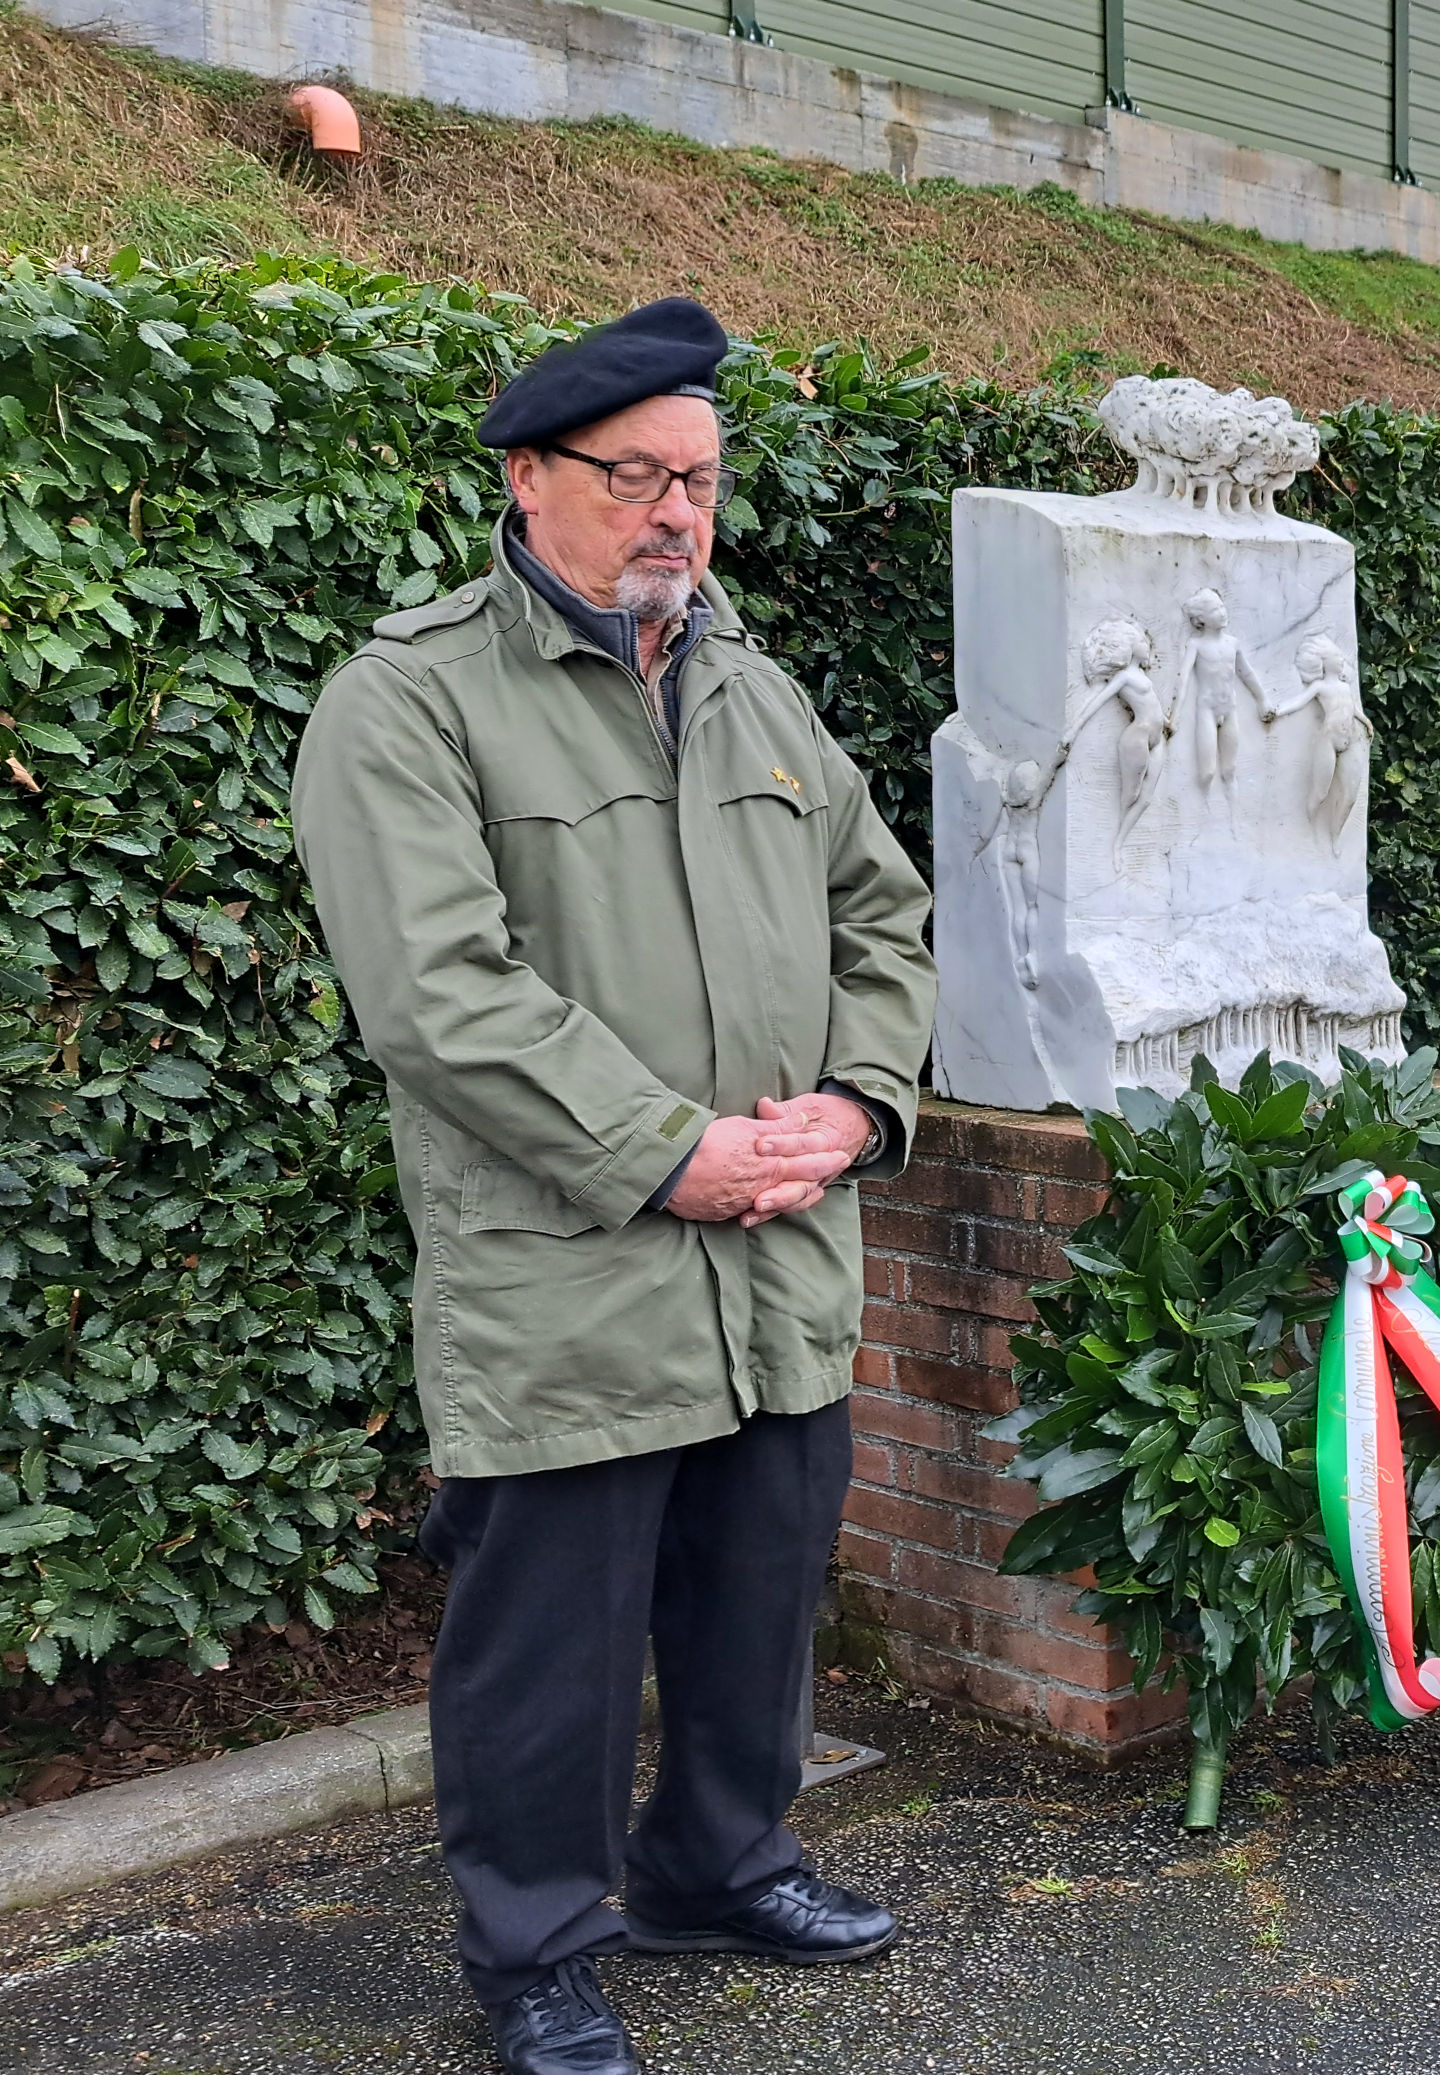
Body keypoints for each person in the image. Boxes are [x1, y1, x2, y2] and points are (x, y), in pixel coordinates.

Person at [293, 298, 938, 2075]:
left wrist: (859, 1107)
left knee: (757, 1594)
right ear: (529, 478)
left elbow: (883, 918)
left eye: (702, 480)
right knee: (550, 1652)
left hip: (783, 1255)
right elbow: (438, 994)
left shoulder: (760, 686)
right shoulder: (410, 698)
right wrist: (670, 1149)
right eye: (635, 475)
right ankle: (535, 1948)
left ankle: (721, 1864)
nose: (675, 512)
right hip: (568, 1271)